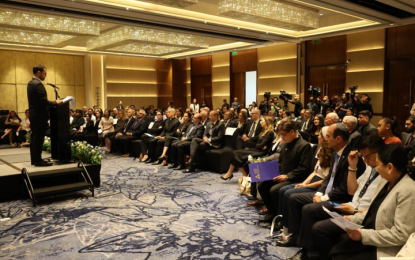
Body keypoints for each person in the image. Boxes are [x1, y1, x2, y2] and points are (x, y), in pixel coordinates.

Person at [295, 134, 385, 260]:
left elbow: (378, 210)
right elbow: (352, 190)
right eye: (362, 156)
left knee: (319, 228)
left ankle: (321, 256)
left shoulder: (385, 174)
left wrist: (354, 211)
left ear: (380, 152)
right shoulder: (370, 168)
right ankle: (308, 251)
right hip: (351, 205)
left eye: (367, 156)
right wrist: (352, 167)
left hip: (360, 214)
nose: (364, 160)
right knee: (309, 209)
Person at [278, 123, 366, 247]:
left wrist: (323, 198)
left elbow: (344, 189)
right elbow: (328, 178)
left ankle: (307, 250)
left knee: (308, 209)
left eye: (328, 136)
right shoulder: (336, 153)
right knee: (293, 198)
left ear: (338, 139)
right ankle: (295, 235)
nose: (325, 138)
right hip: (329, 193)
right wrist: (319, 192)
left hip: (340, 200)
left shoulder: (352, 158)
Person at [330, 144, 415, 259]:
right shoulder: (385, 182)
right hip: (372, 234)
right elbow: (374, 212)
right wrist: (351, 219)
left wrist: (363, 235)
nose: (376, 167)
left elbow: (401, 234)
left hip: (386, 247)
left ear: (389, 167)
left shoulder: (409, 190)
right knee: (336, 250)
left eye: (378, 164)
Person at [277, 131, 333, 241]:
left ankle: (291, 229)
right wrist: (304, 183)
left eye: (322, 136)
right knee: (283, 190)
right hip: (314, 180)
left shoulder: (332, 155)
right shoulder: (320, 150)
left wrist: (307, 185)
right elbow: (315, 172)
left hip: (320, 184)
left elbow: (325, 180)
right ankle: (285, 224)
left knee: (289, 193)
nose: (318, 137)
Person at [258, 120, 312, 223]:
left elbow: (304, 168)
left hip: (296, 177)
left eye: (283, 135)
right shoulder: (284, 145)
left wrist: (287, 176)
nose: (282, 138)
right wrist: (267, 172)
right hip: (283, 175)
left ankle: (282, 218)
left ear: (292, 131)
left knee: (274, 190)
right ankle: (273, 213)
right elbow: (280, 163)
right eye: (280, 135)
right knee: (263, 186)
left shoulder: (304, 145)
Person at [27, 65, 62, 166]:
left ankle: (34, 159)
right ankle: (38, 160)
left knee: (34, 138)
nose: (45, 75)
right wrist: (56, 102)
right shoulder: (38, 84)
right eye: (44, 73)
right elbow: (44, 102)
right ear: (39, 72)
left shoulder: (30, 83)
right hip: (39, 116)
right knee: (38, 138)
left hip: (34, 115)